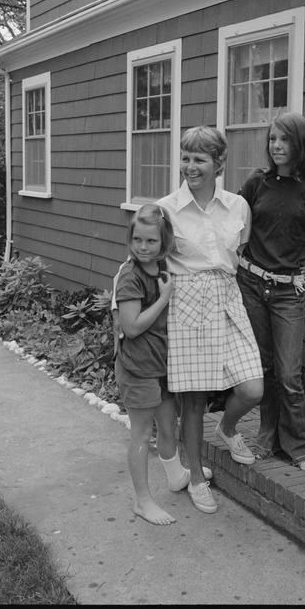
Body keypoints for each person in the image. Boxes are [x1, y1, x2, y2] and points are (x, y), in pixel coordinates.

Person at [158, 126, 264, 514]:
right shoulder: (165, 209)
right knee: (194, 400)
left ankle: (228, 429)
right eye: (185, 157)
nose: (190, 166)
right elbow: (145, 262)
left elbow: (240, 254)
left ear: (219, 164)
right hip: (185, 302)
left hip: (226, 297)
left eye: (199, 159)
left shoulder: (238, 206)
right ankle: (197, 479)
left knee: (252, 387)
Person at [237, 112, 305, 472]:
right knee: (263, 368)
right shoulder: (255, 184)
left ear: (300, 144)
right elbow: (235, 223)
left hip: (287, 293)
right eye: (272, 139)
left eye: (284, 140)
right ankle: (267, 437)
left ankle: (298, 444)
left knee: (290, 374)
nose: (276, 146)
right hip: (251, 285)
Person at [115, 204, 206, 525]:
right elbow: (132, 326)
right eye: (137, 239)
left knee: (169, 426)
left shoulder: (163, 267)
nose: (142, 247)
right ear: (130, 238)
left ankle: (177, 475)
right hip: (138, 368)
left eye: (150, 241)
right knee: (141, 434)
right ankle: (142, 501)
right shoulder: (131, 276)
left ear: (163, 242)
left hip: (162, 366)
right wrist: (164, 298)